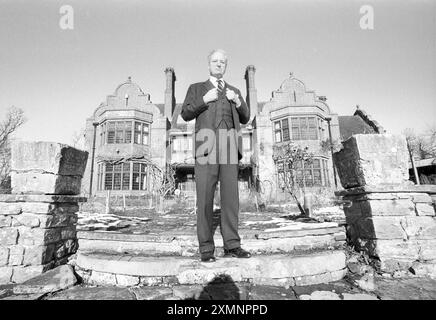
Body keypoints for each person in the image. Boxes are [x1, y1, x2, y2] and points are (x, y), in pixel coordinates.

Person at [181, 49, 251, 262]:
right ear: (208, 64)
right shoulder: (196, 89)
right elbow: (185, 114)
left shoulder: (234, 90)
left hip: (230, 144)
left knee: (231, 198)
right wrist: (203, 100)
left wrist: (238, 102)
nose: (219, 64)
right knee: (204, 198)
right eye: (215, 61)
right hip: (206, 144)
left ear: (226, 66)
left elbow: (246, 117)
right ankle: (206, 249)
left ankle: (232, 245)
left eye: (223, 62)